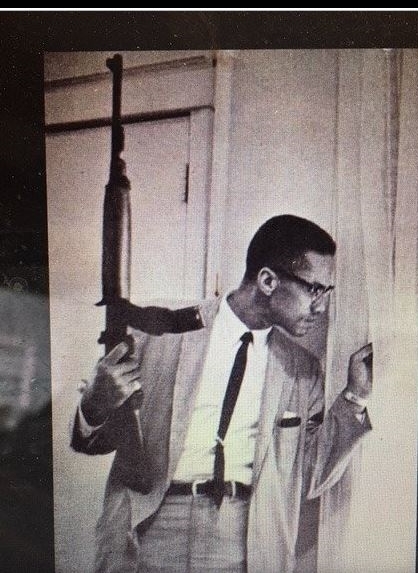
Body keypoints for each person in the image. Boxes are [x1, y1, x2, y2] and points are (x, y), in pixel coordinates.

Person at [71, 214, 372, 573]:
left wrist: (355, 396)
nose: (321, 307)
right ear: (267, 280)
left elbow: (309, 476)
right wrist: (95, 404)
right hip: (147, 527)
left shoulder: (303, 372)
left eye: (326, 292)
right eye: (314, 289)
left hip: (245, 538)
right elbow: (92, 442)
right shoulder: (162, 329)